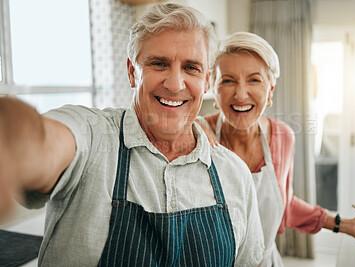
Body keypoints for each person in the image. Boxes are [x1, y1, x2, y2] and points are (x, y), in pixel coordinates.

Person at [0, 4, 265, 266]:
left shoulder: (235, 175)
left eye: (191, 67)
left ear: (206, 80)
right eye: (159, 64)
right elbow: (41, 141)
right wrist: (11, 141)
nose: (175, 84)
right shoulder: (94, 138)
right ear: (131, 72)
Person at [196, 31, 355, 267]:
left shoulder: (282, 137)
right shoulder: (195, 136)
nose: (241, 94)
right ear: (213, 87)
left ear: (270, 91)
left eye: (254, 80)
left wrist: (346, 224)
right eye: (228, 80)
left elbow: (285, 204)